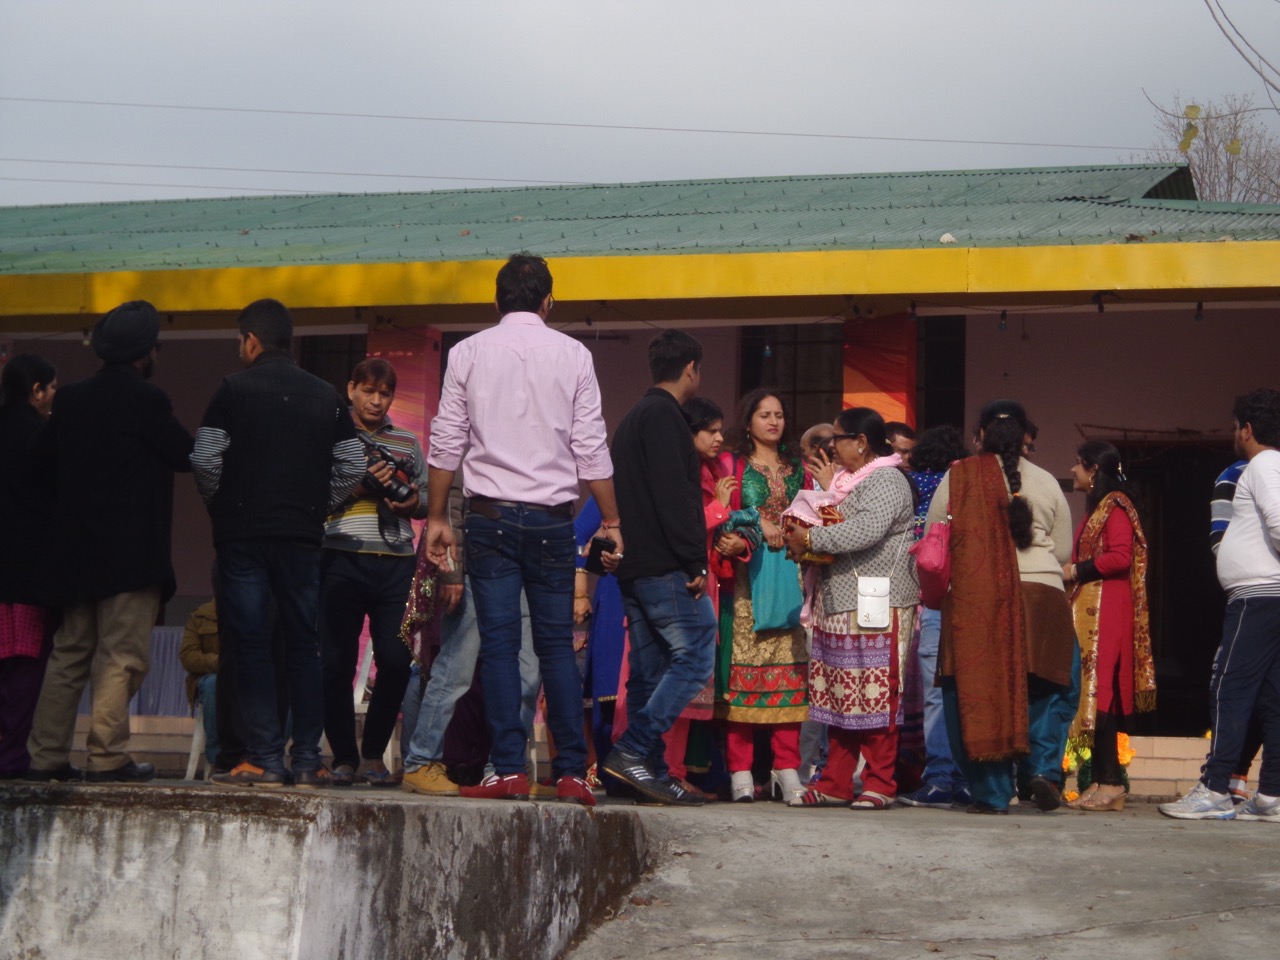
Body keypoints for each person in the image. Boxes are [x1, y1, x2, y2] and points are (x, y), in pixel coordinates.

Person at [422, 253, 620, 806]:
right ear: (548, 302)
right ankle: (573, 774)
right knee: (557, 648)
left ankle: (508, 769)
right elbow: (590, 447)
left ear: (496, 301)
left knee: (502, 648)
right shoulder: (574, 355)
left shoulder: (466, 352)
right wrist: (611, 518)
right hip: (554, 522)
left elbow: (445, 443)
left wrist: (438, 518)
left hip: (487, 520)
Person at [192, 298, 364, 788]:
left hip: (242, 538)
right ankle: (307, 759)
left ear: (251, 340)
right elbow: (352, 466)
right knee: (303, 646)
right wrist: (319, 506)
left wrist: (222, 508)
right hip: (302, 537)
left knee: (250, 646)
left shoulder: (231, 390)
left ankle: (265, 758)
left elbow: (204, 460)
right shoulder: (326, 395)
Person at [26, 302, 195, 783]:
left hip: (73, 557)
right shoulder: (147, 400)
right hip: (130, 556)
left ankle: (46, 755)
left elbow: (38, 462)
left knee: (69, 654)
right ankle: (106, 756)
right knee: (120, 656)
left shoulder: (73, 400)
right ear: (146, 354)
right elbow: (185, 455)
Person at [924, 400, 1078, 815]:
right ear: (1027, 437)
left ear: (980, 435)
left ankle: (991, 794)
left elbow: (934, 537)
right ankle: (1042, 771)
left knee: (974, 692)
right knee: (1048, 688)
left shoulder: (958, 477)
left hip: (979, 601)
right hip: (1042, 596)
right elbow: (1062, 550)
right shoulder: (1046, 481)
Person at [602, 330, 717, 806]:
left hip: (635, 563)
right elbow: (675, 496)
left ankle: (640, 772)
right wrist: (695, 557)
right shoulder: (667, 417)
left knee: (649, 671)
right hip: (666, 564)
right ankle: (631, 750)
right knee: (694, 656)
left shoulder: (631, 418)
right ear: (691, 367)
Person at [782, 407, 918, 809]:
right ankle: (837, 781)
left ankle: (880, 782)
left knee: (877, 693)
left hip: (881, 599)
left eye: (838, 438)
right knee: (842, 696)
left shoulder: (887, 479)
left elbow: (864, 530)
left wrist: (808, 539)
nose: (831, 445)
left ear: (861, 442)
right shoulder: (848, 481)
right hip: (841, 601)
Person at [1160, 389, 1280, 822]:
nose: (1234, 434)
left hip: (1259, 598)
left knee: (1229, 688)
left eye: (1235, 427)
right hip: (1269, 597)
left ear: (1247, 429)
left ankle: (1214, 788)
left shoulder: (1263, 465)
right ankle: (1271, 796)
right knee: (1272, 696)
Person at [319, 358, 427, 787]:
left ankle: (373, 756)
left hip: (396, 560)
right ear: (351, 389)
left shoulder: (406, 442)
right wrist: (358, 487)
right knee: (335, 662)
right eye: (368, 391)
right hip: (340, 556)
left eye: (384, 394)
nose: (376, 401)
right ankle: (344, 756)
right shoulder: (331, 435)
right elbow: (316, 496)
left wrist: (410, 503)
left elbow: (425, 498)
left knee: (398, 662)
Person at [715, 388, 812, 803]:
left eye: (779, 414)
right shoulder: (731, 464)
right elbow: (721, 519)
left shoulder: (800, 470)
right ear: (749, 421)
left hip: (792, 579)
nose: (773, 421)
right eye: (764, 415)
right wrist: (752, 529)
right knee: (741, 676)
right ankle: (739, 772)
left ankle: (786, 769)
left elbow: (814, 513)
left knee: (791, 674)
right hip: (745, 585)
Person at [1061, 441, 1156, 812]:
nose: (1073, 470)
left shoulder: (1116, 505)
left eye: (1079, 464)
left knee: (1100, 695)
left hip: (1108, 611)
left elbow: (1120, 556)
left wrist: (1076, 571)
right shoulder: (1100, 506)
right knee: (1097, 696)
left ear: (1094, 470)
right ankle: (1104, 779)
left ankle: (1113, 781)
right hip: (1093, 609)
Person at [897, 424, 972, 809]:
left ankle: (939, 777)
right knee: (964, 693)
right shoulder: (968, 484)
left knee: (935, 694)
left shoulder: (911, 485)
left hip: (927, 596)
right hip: (969, 596)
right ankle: (962, 779)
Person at [0, 354, 57, 779]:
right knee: (26, 667)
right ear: (36, 390)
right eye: (51, 387)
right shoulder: (42, 437)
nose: (53, 396)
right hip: (28, 576)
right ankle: (12, 755)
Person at [179, 598, 221, 770]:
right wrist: (223, 663)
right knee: (215, 685)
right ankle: (219, 759)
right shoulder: (202, 615)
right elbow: (188, 657)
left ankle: (266, 759)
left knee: (284, 686)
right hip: (214, 675)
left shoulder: (262, 609)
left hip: (254, 674)